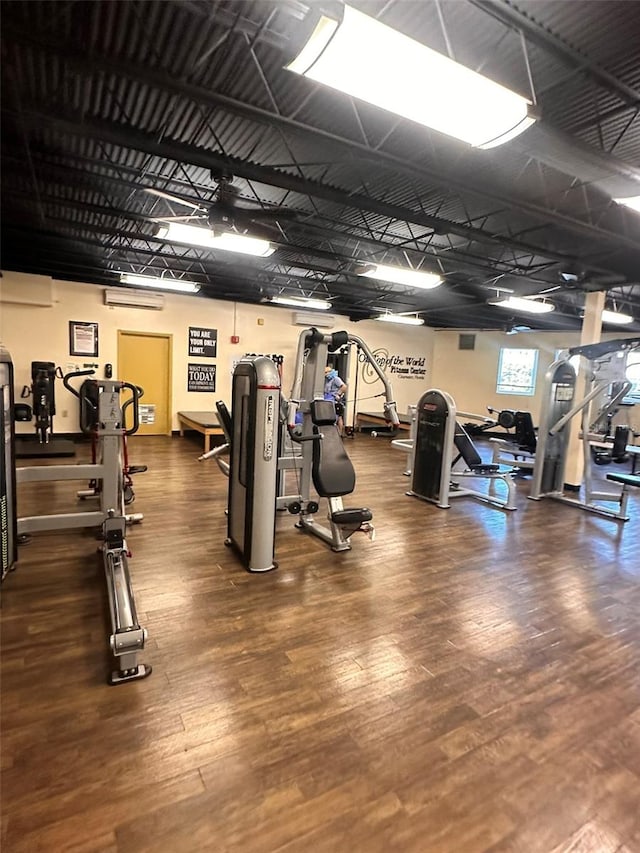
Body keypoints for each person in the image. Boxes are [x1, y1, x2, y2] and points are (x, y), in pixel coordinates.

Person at [324, 365, 347, 435]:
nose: (325, 374)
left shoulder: (336, 379)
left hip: (335, 400)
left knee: (339, 417)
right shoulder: (327, 380)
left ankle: (339, 433)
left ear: (330, 372)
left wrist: (338, 394)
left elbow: (344, 387)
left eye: (326, 373)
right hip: (328, 399)